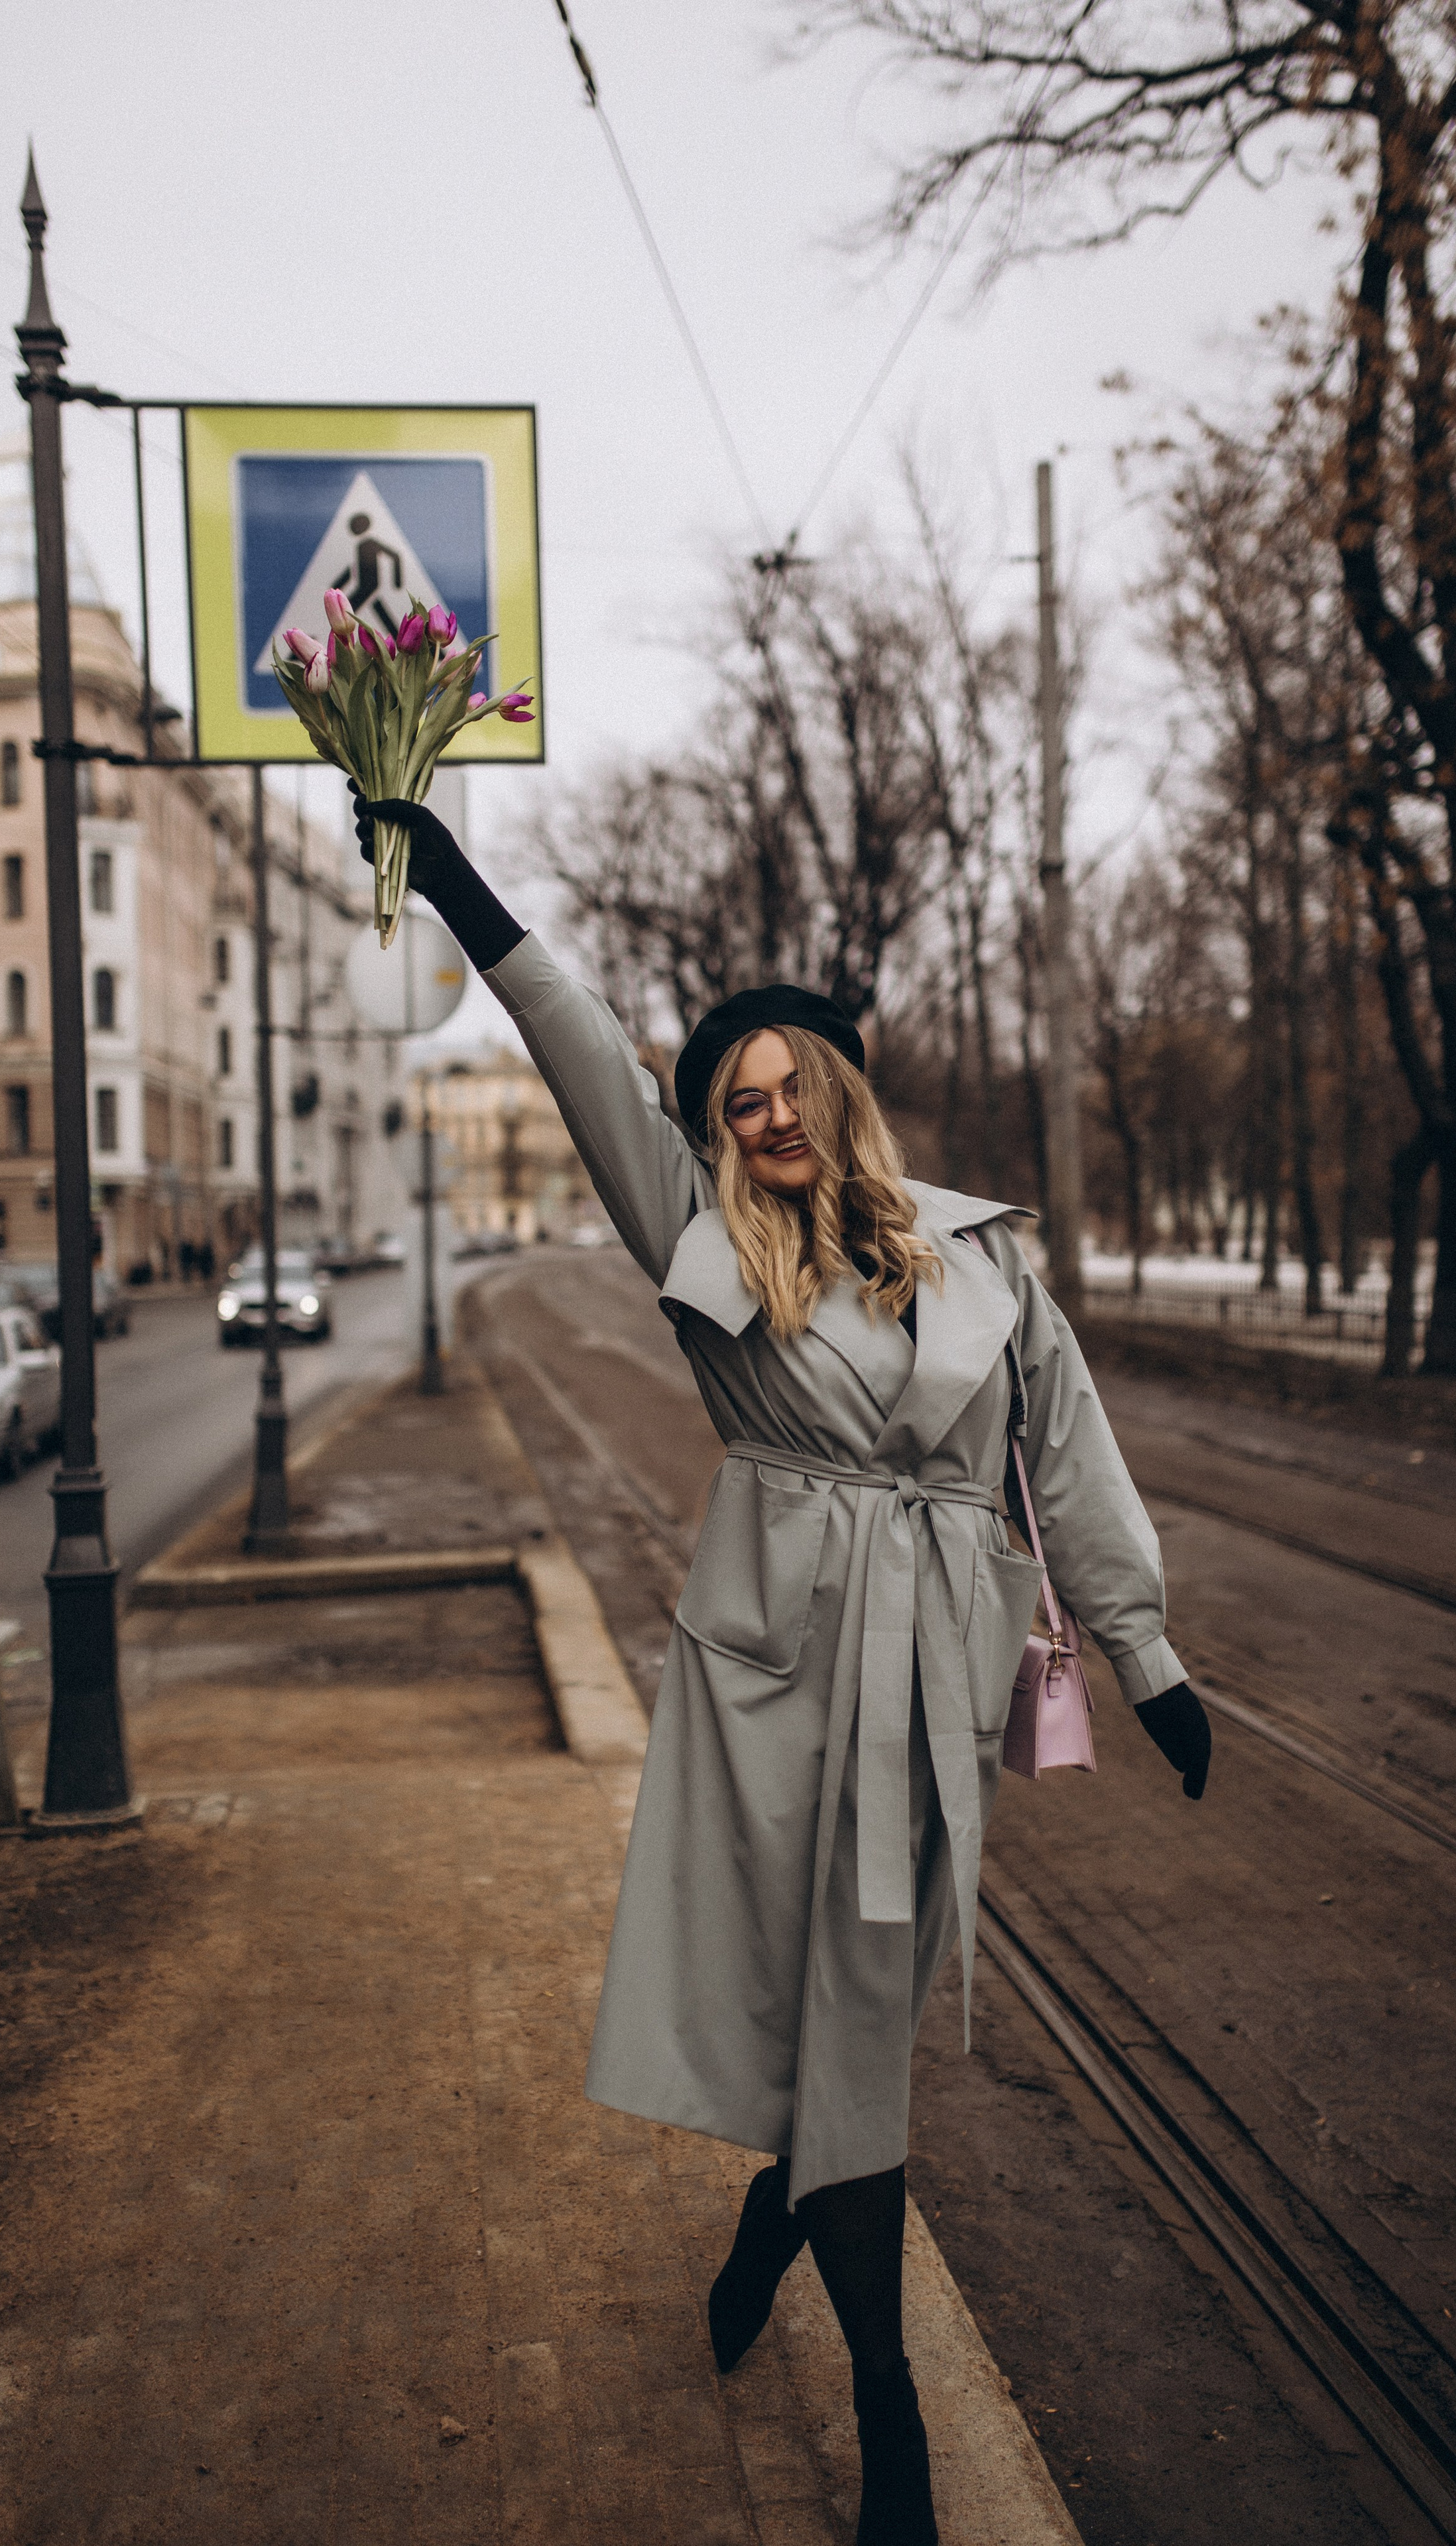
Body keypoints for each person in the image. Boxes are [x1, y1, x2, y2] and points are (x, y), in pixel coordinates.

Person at [353, 790, 1211, 2546]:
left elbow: (1070, 1455)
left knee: (857, 2025)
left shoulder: (985, 1257)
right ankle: (890, 2416)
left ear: (839, 1088)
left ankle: (782, 2211)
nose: (768, 1115)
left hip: (933, 1685)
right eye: (737, 1102)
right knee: (822, 2025)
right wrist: (462, 892)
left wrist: (1146, 1652)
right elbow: (586, 1053)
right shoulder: (700, 1241)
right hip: (771, 1689)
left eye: (788, 1085)